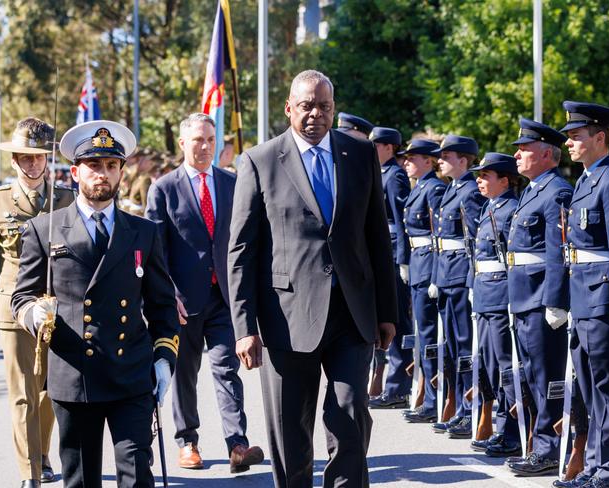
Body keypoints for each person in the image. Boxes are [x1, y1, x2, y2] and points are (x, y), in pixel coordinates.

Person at [227, 69, 397, 488]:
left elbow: (378, 236)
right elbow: (241, 250)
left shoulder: (359, 156)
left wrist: (389, 312)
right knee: (290, 433)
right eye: (306, 106)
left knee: (351, 415)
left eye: (324, 106)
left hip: (351, 314)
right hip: (286, 318)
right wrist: (245, 328)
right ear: (289, 109)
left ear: (333, 109)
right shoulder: (260, 161)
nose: (315, 115)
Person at [11, 120, 180, 488]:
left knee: (137, 475)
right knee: (82, 481)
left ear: (122, 171)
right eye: (93, 165)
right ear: (75, 172)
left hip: (131, 373)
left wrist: (165, 358)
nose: (102, 174)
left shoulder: (143, 232)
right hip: (75, 375)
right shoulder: (45, 229)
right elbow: (20, 296)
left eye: (111, 166)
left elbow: (163, 305)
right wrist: (32, 314)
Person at [146, 113, 264, 473]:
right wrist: (168, 294)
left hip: (225, 298)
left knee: (228, 368)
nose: (205, 146)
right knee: (184, 373)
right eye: (198, 139)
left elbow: (246, 239)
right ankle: (188, 442)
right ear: (182, 143)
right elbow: (155, 249)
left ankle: (237, 444)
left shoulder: (232, 182)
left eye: (211, 140)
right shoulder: (164, 188)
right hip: (183, 300)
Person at [0, 117, 75, 488]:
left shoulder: (66, 198)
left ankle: (42, 452)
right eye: (25, 157)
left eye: (38, 157)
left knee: (51, 393)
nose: (32, 164)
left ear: (48, 159)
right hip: (12, 310)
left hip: (58, 308)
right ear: (14, 159)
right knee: (22, 395)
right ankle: (29, 472)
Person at [557, 101, 609, 488]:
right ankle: (594, 466)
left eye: (576, 136)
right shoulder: (585, 180)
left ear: (599, 138)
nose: (569, 143)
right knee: (589, 389)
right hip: (583, 298)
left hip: (603, 299)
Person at [506, 117, 573, 476]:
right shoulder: (532, 190)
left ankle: (549, 448)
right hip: (522, 296)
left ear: (547, 154)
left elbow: (556, 253)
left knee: (547, 376)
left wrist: (555, 301)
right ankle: (539, 441)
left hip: (539, 299)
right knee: (532, 374)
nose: (517, 155)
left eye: (525, 149)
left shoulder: (557, 192)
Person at [429, 135, 487, 439]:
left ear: (463, 160)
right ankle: (462, 407)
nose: (440, 161)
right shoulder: (453, 189)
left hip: (462, 275)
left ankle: (470, 408)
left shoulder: (469, 193)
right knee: (452, 346)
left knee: (465, 346)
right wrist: (438, 278)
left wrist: (472, 280)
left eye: (446, 156)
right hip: (447, 275)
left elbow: (476, 241)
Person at [467, 153, 522, 457]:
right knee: (489, 364)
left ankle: (513, 431)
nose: (479, 180)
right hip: (486, 294)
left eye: (485, 176)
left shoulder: (510, 209)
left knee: (505, 366)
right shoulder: (490, 207)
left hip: (501, 296)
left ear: (504, 180)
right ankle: (503, 427)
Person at [400, 139, 446, 423]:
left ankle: (434, 399)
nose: (406, 162)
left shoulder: (435, 189)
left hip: (429, 264)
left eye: (413, 158)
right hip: (418, 263)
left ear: (429, 161)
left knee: (430, 336)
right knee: (423, 335)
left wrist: (434, 273)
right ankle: (428, 396)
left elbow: (439, 234)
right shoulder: (421, 188)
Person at [368, 126, 412, 409]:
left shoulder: (394, 177)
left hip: (393, 252)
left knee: (396, 321)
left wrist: (402, 258)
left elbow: (401, 223)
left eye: (377, 145)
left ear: (388, 148)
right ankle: (392, 383)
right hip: (383, 251)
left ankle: (398, 385)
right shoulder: (382, 174)